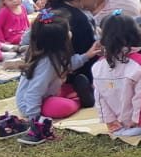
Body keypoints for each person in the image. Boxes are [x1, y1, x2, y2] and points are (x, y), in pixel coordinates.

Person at [14, 9, 100, 144]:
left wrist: (87, 55)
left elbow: (67, 65)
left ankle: (79, 95)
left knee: (67, 88)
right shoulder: (46, 64)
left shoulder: (52, 54)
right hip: (32, 104)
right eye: (68, 30)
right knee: (65, 106)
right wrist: (34, 120)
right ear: (60, 40)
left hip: (48, 93)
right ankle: (80, 101)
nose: (70, 32)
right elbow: (33, 92)